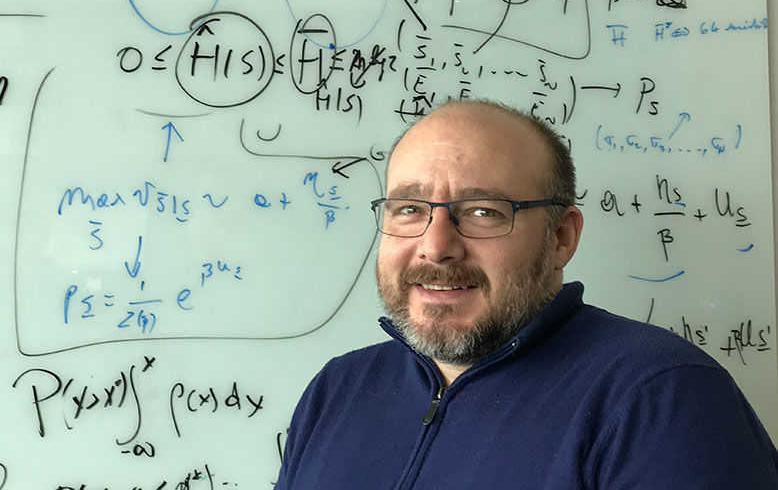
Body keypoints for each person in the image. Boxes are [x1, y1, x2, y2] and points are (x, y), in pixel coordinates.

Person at [275, 100, 778, 489]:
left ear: (561, 237)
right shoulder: (338, 389)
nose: (436, 247)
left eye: (483, 212)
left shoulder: (661, 397)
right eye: (409, 208)